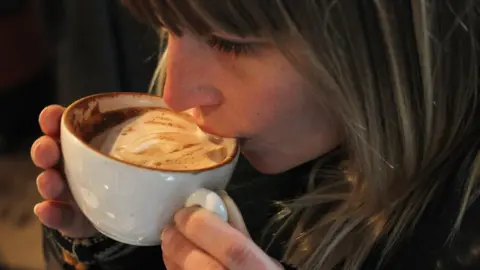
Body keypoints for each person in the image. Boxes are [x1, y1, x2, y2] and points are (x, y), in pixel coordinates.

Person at [30, 1, 480, 269]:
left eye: (231, 43)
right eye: (167, 30)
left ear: (385, 35)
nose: (175, 96)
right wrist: (112, 240)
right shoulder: (245, 138)